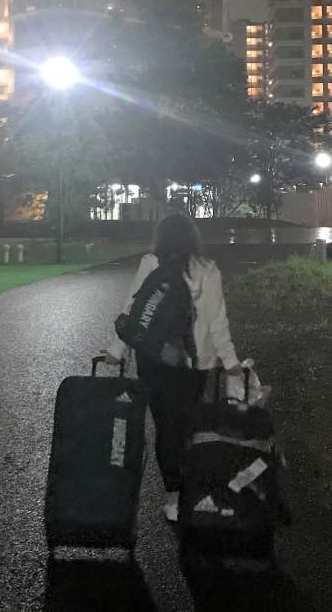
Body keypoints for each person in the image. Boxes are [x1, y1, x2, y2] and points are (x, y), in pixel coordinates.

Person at [105, 214, 241, 522]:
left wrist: (116, 350)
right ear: (193, 238)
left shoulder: (151, 264)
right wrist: (230, 362)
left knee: (166, 429)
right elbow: (218, 322)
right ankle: (194, 489)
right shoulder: (207, 269)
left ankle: (173, 498)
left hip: (154, 362)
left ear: (161, 237)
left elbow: (133, 312)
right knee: (190, 426)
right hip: (196, 364)